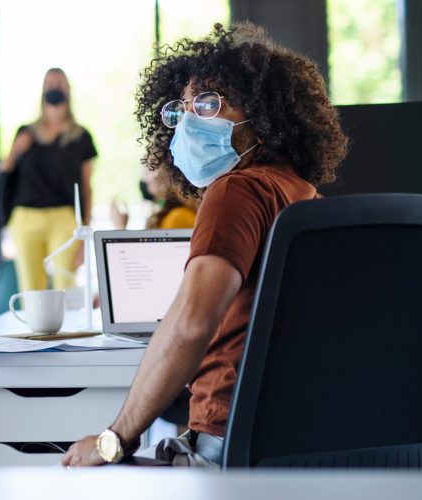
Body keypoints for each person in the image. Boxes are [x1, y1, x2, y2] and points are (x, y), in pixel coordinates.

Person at [61, 22, 347, 467]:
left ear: (264, 117)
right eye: (183, 108)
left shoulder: (235, 191)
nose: (191, 120)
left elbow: (191, 324)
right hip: (299, 445)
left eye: (211, 104)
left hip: (227, 450)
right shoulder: (301, 192)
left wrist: (112, 439)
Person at [0, 68, 97, 292]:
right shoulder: (25, 133)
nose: (54, 87)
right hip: (26, 218)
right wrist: (15, 151)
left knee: (66, 285)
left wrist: (85, 231)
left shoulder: (81, 136)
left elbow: (87, 188)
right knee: (31, 290)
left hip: (64, 218)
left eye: (60, 82)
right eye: (49, 83)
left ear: (68, 89)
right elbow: (5, 170)